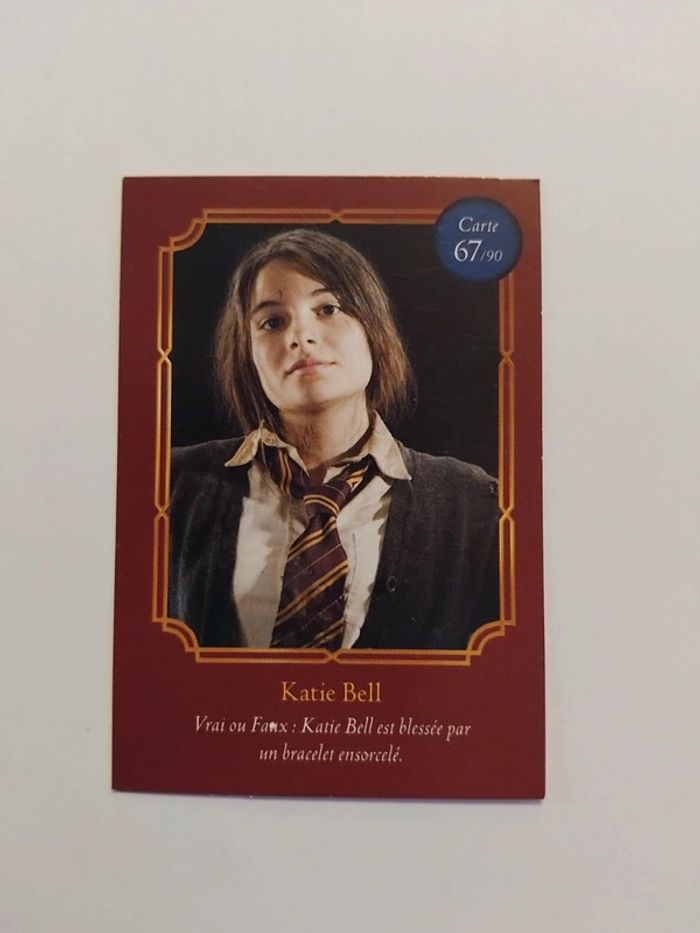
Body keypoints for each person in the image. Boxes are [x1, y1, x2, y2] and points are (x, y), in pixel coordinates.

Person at [168, 228, 499, 650]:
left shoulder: (475, 502)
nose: (300, 336)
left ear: (373, 328)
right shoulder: (169, 486)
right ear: (246, 355)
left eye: (328, 308)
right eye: (272, 322)